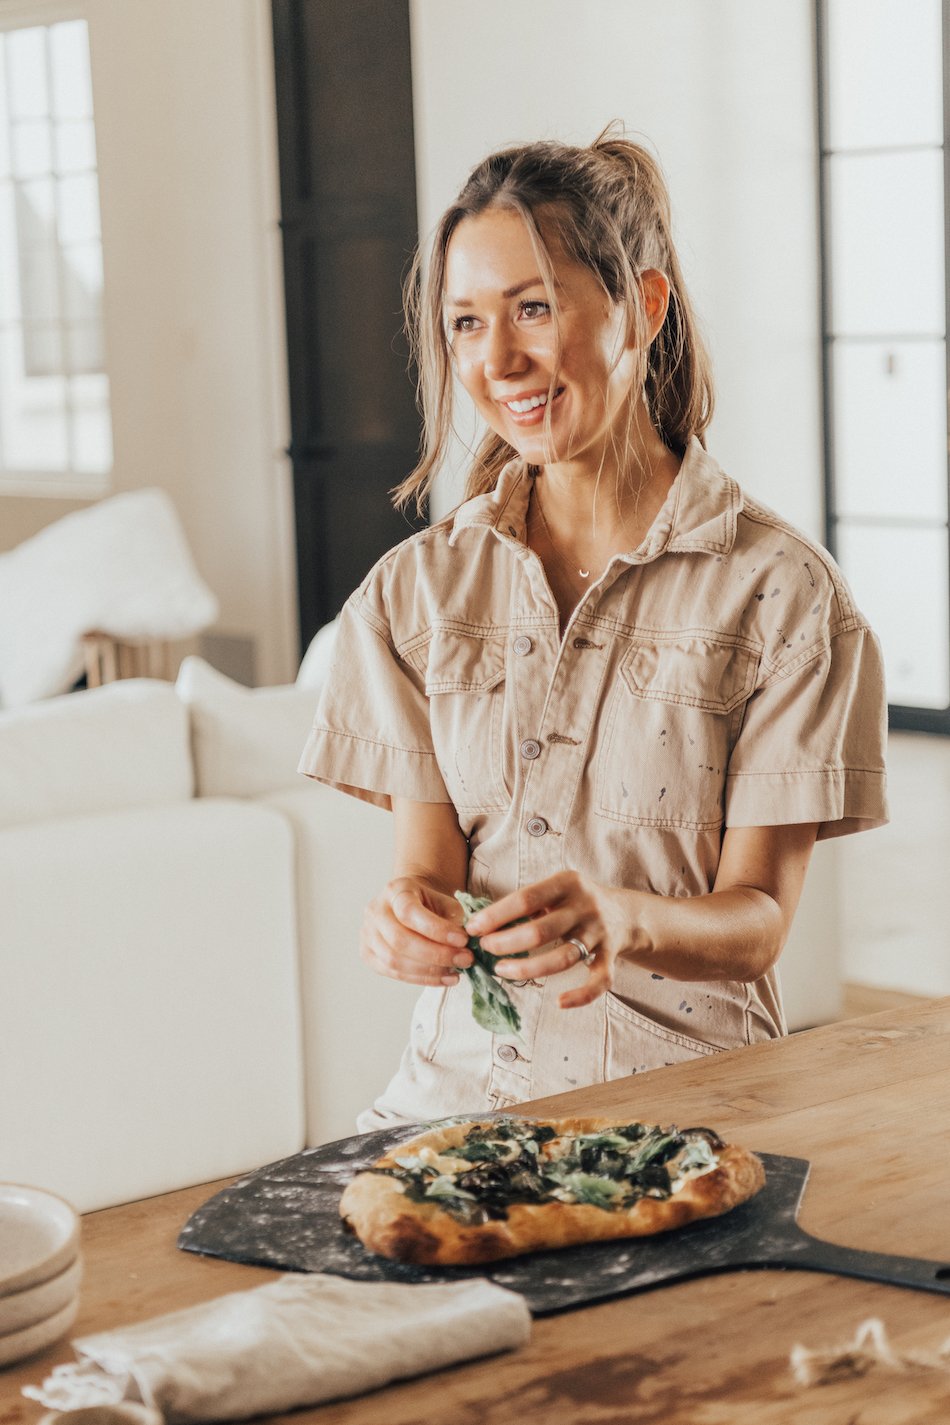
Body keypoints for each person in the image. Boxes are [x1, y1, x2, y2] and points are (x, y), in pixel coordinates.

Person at [298, 129, 888, 1132]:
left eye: (532, 308)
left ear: (641, 309)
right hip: (447, 1112)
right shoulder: (413, 594)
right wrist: (404, 914)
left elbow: (755, 924)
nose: (498, 360)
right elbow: (429, 869)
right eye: (465, 323)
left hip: (678, 1117)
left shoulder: (784, 599)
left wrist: (621, 919)